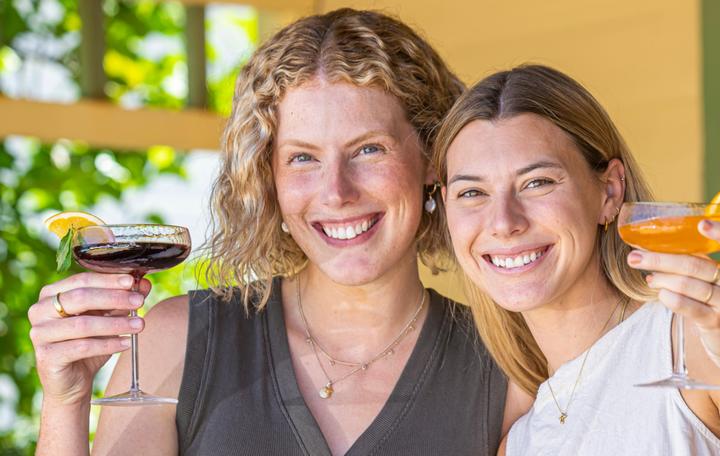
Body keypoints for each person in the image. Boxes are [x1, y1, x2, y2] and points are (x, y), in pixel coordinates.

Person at [28, 9, 533, 456]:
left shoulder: (509, 368)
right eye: (303, 158)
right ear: (268, 178)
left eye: (368, 150)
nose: (336, 192)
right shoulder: (176, 342)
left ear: (430, 156)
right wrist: (66, 402)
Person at [433, 64, 720, 455]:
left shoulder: (708, 329)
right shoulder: (519, 442)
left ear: (609, 192)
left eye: (537, 182)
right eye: (472, 193)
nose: (503, 222)